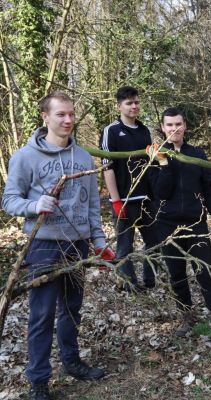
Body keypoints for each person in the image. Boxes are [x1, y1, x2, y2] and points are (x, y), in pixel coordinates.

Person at [2, 92, 115, 400]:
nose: (68, 120)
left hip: (76, 245)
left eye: (71, 114)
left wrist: (99, 240)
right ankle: (38, 380)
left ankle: (72, 361)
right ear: (45, 117)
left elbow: (92, 205)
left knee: (71, 308)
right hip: (43, 246)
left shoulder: (82, 157)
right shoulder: (25, 157)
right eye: (61, 114)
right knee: (41, 314)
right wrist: (35, 204)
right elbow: (9, 200)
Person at [146, 107, 211, 337]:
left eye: (178, 124)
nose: (174, 129)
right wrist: (163, 164)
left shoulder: (197, 154)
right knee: (177, 274)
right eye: (169, 125)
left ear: (185, 126)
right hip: (167, 225)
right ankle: (186, 315)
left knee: (206, 270)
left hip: (196, 223)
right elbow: (161, 193)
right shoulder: (154, 155)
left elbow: (209, 193)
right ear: (163, 127)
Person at [99, 86, 160, 292]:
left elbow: (150, 165)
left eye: (136, 102)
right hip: (124, 199)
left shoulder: (144, 130)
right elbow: (107, 167)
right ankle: (129, 284)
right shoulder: (111, 131)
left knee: (154, 242)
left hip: (146, 198)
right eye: (129, 103)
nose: (134, 106)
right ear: (119, 106)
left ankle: (150, 281)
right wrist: (116, 200)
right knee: (125, 245)